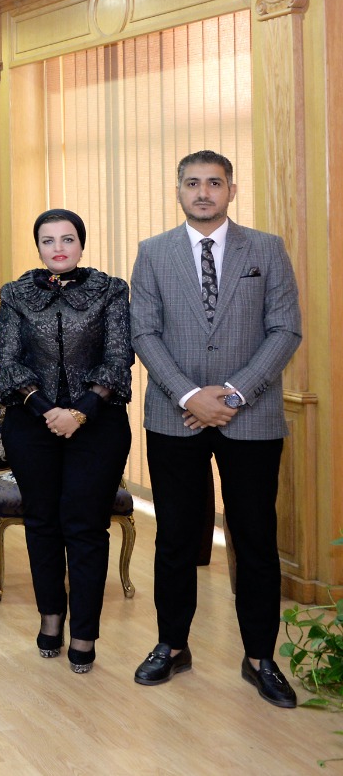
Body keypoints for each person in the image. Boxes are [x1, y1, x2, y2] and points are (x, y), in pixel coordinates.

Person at [129, 150, 302, 707]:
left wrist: (232, 394)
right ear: (178, 190)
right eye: (192, 183)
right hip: (174, 415)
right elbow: (144, 333)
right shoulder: (152, 252)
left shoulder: (267, 249)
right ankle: (172, 645)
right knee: (176, 538)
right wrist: (189, 395)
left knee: (255, 539)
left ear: (232, 190)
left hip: (250, 416)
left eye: (214, 183)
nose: (203, 192)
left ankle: (260, 658)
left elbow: (285, 329)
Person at [0, 209, 133, 673]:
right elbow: (9, 360)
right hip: (31, 424)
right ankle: (51, 617)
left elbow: (118, 357)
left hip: (99, 425)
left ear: (81, 244)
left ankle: (85, 632)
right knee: (42, 523)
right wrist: (46, 409)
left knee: (86, 526)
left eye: (68, 239)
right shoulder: (15, 294)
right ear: (37, 247)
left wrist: (80, 411)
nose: (58, 248)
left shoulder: (111, 290)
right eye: (48, 240)